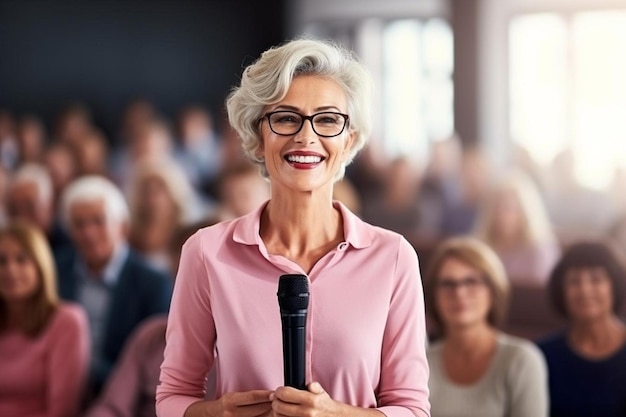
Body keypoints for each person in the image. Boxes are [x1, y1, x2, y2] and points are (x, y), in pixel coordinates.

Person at [156, 38, 431, 417]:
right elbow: (173, 397)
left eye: (328, 119)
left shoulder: (393, 257)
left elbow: (412, 409)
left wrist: (335, 414)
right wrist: (216, 413)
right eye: (286, 117)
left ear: (349, 139)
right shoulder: (206, 252)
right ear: (257, 137)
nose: (306, 136)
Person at [55, 175, 173, 395]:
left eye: (98, 221)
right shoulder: (56, 270)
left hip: (125, 393)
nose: (88, 233)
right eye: (79, 224)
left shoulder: (153, 283)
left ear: (122, 226)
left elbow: (155, 359)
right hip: (60, 384)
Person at [423, 236, 548, 417]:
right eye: (447, 284)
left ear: (493, 290)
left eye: (471, 282)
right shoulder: (420, 362)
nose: (459, 293)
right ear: (433, 295)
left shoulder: (522, 360)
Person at [0, 220, 90, 417]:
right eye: (2, 261)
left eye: (22, 259)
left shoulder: (67, 321)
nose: (10, 270)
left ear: (40, 265)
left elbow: (63, 411)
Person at [538, 241, 626, 416]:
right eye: (574, 281)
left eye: (596, 279)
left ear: (614, 286)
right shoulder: (542, 355)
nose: (585, 290)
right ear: (560, 291)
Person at [473, 169, 560, 286]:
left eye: (509, 207)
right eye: (496, 207)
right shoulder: (479, 246)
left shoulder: (540, 250)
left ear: (526, 211)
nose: (501, 214)